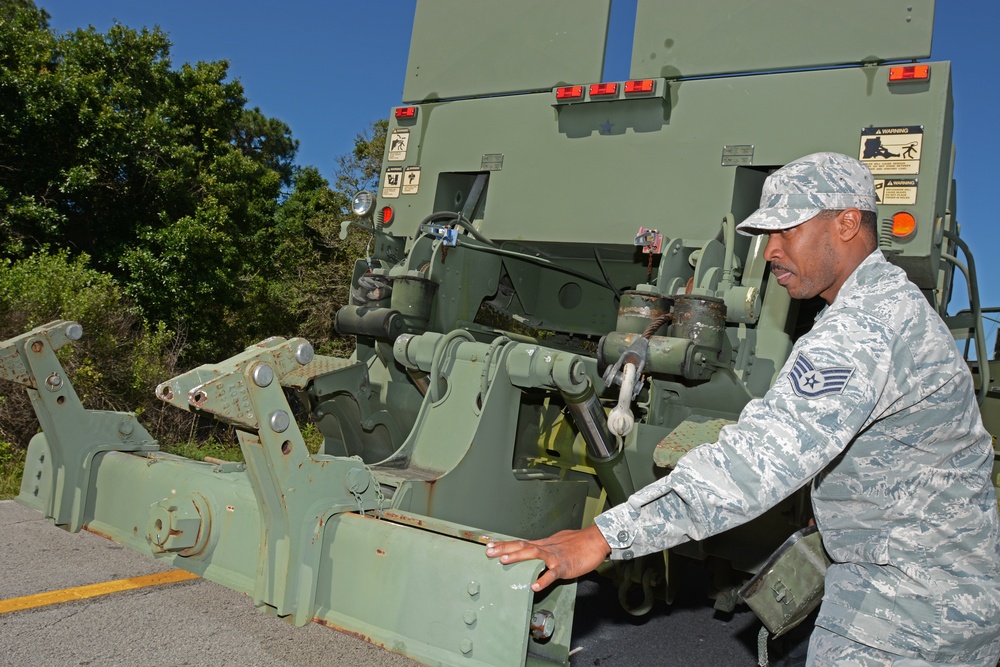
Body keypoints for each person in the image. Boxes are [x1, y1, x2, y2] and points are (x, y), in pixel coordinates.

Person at [486, 152, 1000, 666]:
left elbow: (758, 462)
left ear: (847, 223)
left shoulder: (864, 328)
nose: (770, 250)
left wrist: (603, 536)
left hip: (909, 613)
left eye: (787, 229)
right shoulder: (885, 306)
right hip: (931, 589)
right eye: (766, 234)